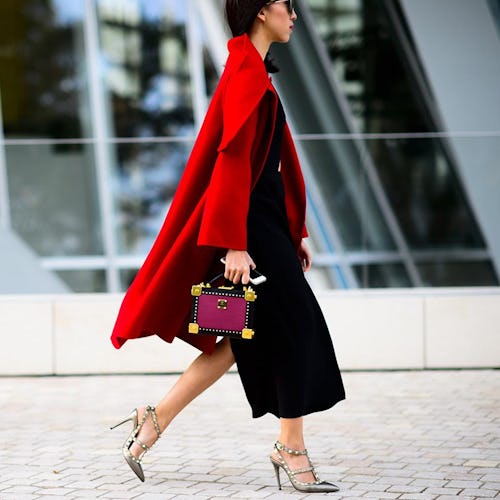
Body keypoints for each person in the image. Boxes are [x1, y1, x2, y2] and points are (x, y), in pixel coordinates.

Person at [110, 0, 345, 493]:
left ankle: (154, 419)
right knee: (298, 328)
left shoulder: (252, 70)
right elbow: (232, 164)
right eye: (287, 5)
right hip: (248, 230)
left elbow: (267, 166)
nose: (295, 15)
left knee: (242, 335)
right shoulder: (245, 74)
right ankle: (291, 447)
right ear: (261, 12)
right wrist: (234, 244)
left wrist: (293, 231)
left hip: (261, 226)